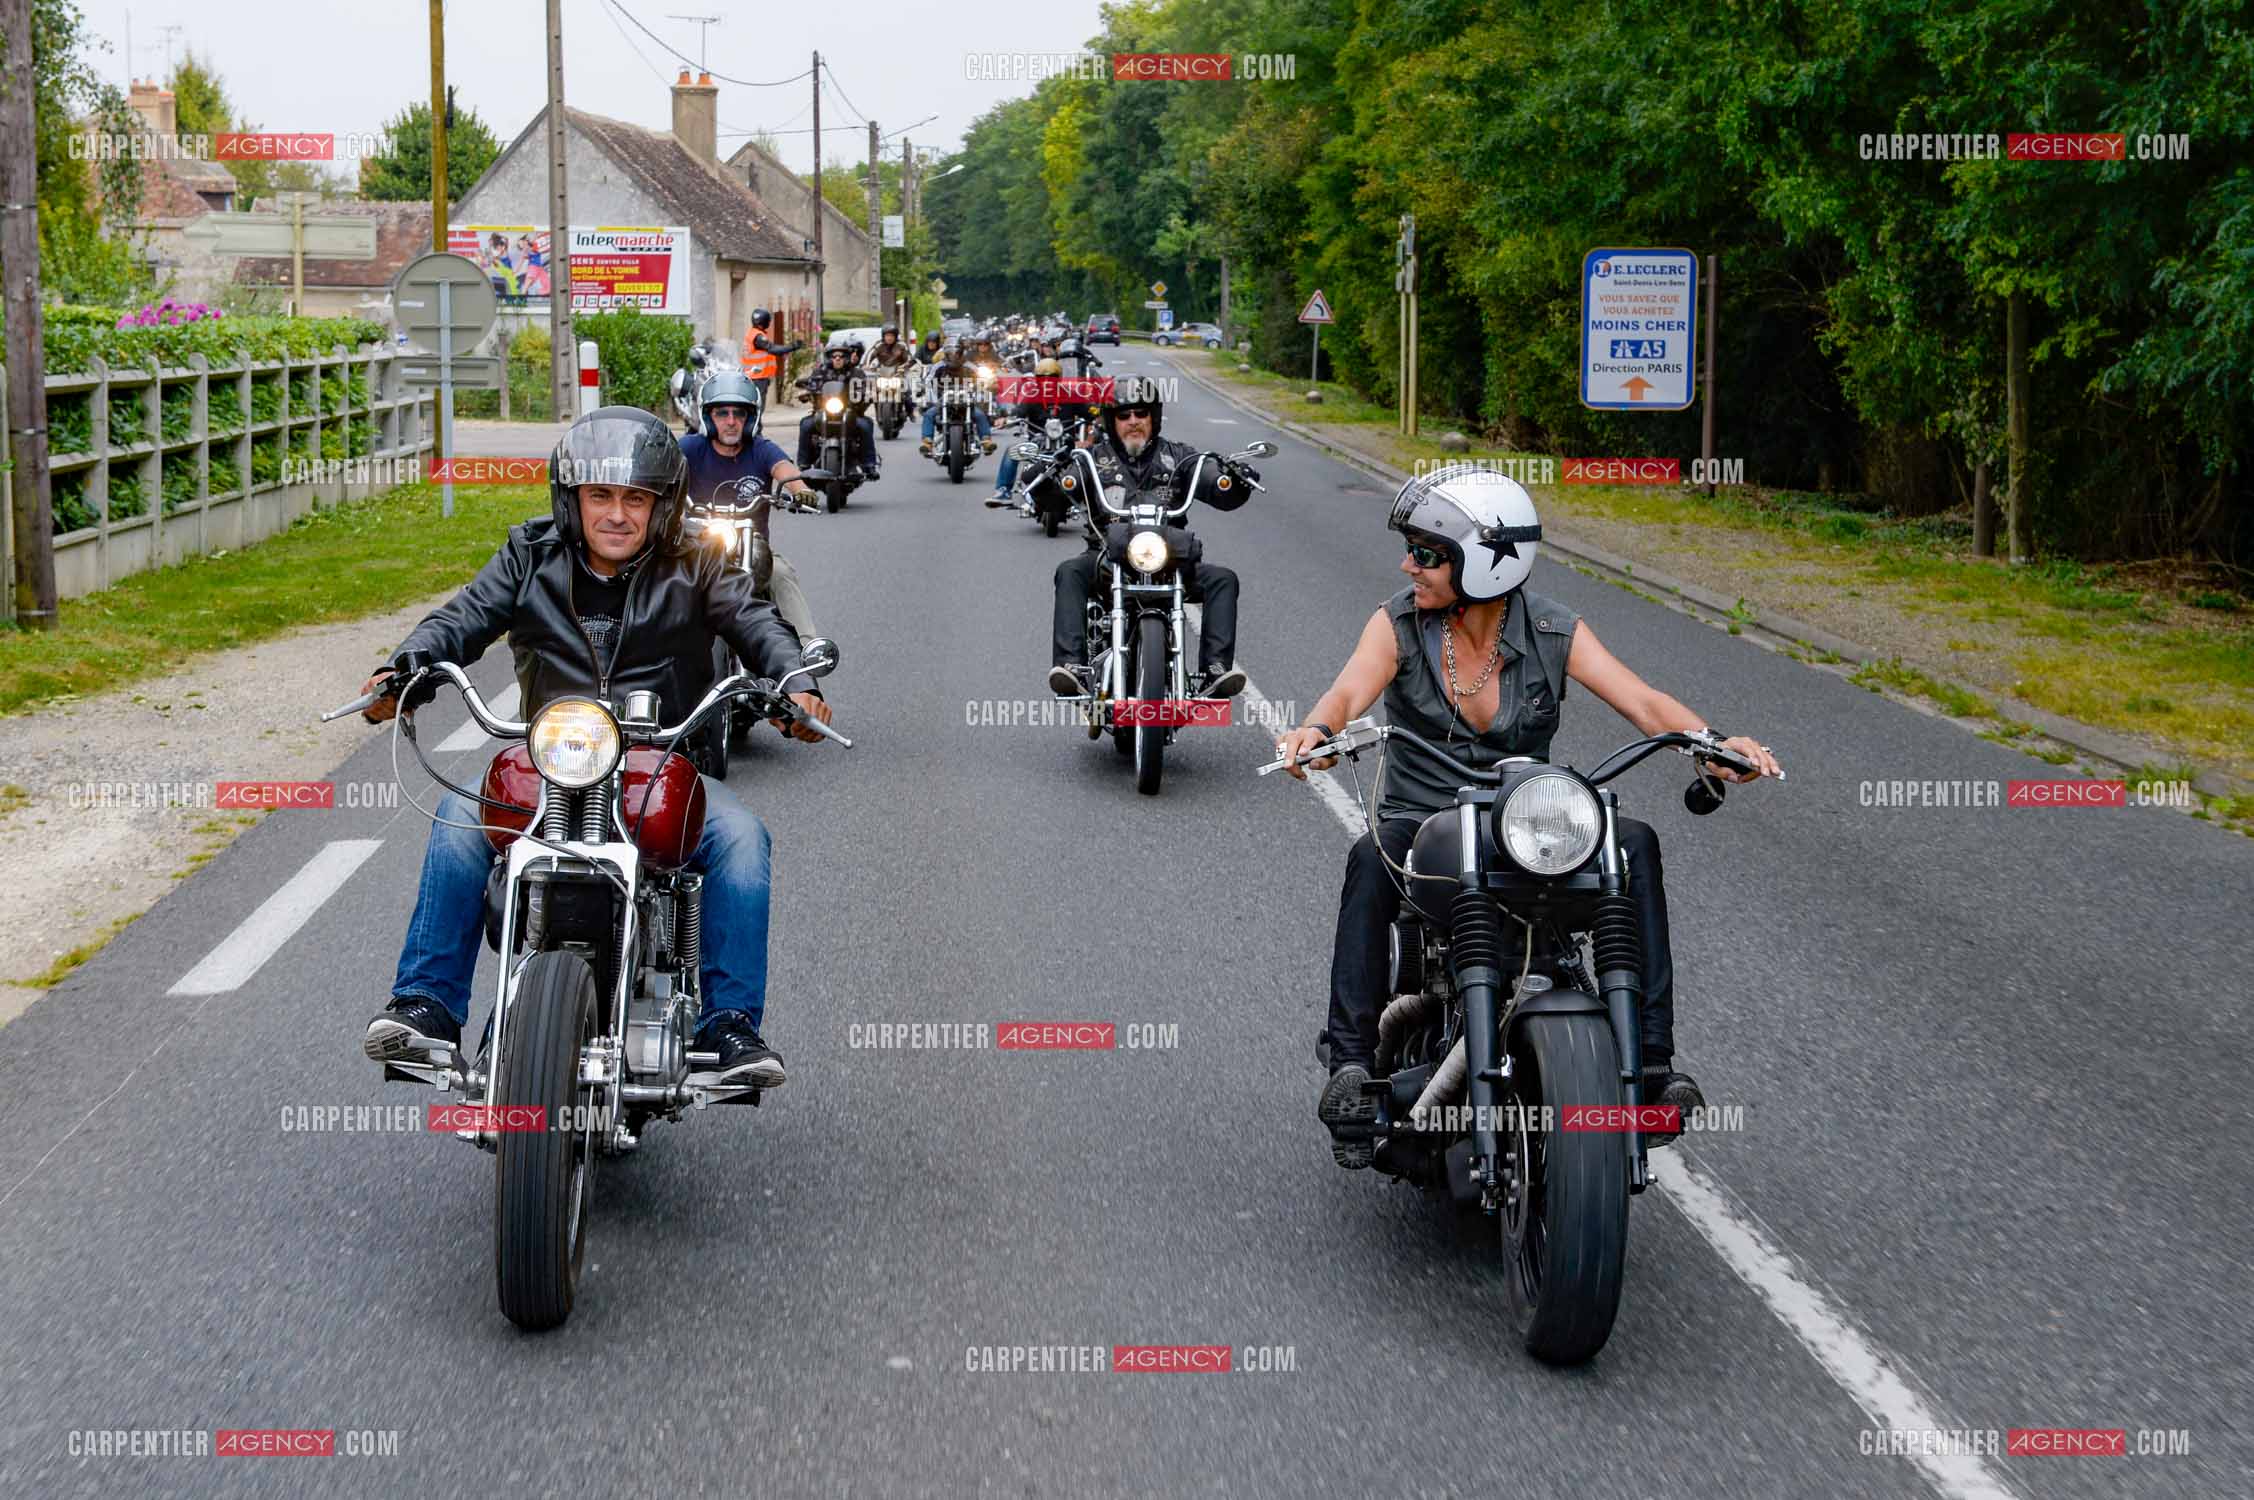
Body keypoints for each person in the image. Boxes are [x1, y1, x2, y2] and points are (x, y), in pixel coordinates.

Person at [1269, 467, 1784, 1167]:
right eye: (1412, 551)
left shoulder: (1552, 629)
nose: (1408, 566)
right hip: (1424, 826)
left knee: (1633, 843)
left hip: (1525, 824)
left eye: (1426, 553)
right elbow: (1347, 691)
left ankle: (1653, 1064)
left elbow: (1643, 701)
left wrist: (1714, 745)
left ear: (1482, 564)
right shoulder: (1397, 624)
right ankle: (1352, 1068)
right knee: (1369, 854)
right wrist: (1316, 731)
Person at [358, 406, 836, 1091]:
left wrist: (793, 684)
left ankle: (729, 1026)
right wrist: (405, 669)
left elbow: (754, 619)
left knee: (741, 839)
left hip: (658, 765)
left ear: (662, 504)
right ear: (572, 499)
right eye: (600, 496)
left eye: (635, 498)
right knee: (459, 820)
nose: (617, 514)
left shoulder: (699, 560)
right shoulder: (528, 554)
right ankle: (425, 1005)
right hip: (547, 766)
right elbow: (464, 617)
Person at [1045, 377, 1248, 701]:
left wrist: (1231, 480)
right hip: (1106, 559)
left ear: (1153, 416)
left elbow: (1213, 482)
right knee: (1069, 571)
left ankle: (1215, 670)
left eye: (1141, 413)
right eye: (1124, 415)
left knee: (1223, 579)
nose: (1133, 421)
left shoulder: (1179, 457)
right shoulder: (1092, 459)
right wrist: (1046, 479)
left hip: (1170, 560)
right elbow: (1056, 492)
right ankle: (1071, 667)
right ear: (1111, 421)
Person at [678, 369, 820, 640]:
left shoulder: (761, 449)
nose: (731, 421)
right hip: (694, 546)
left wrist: (801, 490)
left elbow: (785, 470)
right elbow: (664, 467)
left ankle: (806, 651)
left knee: (781, 573)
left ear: (750, 418)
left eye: (739, 413)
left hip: (751, 549)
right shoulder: (690, 448)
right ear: (709, 417)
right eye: (722, 413)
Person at [985, 355, 1065, 507]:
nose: (1047, 381)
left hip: (1067, 444)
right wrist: (1006, 420)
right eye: (1042, 378)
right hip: (1037, 443)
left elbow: (1091, 415)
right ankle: (1003, 491)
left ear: (1059, 378)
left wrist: (1089, 436)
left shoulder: (1071, 395)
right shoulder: (1032, 397)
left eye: (1052, 377)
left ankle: (1096, 501)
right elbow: (1018, 413)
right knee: (1012, 450)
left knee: (1089, 457)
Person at [796, 344, 879, 479]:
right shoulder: (820, 373)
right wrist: (806, 393)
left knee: (865, 426)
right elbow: (811, 386)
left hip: (850, 413)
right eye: (834, 356)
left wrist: (868, 394)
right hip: (823, 413)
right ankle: (803, 464)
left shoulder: (856, 373)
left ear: (847, 358)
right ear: (829, 358)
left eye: (841, 356)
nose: (838, 358)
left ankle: (869, 465)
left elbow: (864, 387)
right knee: (806, 425)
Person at [918, 344, 996, 457]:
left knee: (980, 415)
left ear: (961, 353)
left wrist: (988, 383)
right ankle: (927, 443)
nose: (954, 356)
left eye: (956, 353)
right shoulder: (939, 366)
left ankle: (986, 441)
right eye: (951, 354)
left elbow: (982, 377)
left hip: (966, 400)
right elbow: (928, 379)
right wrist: (923, 386)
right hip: (944, 400)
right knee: (929, 414)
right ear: (946, 354)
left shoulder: (969, 365)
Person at [741, 308, 803, 429]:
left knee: (755, 408)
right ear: (765, 322)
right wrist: (793, 346)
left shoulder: (752, 333)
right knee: (757, 408)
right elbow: (773, 349)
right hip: (757, 378)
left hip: (755, 377)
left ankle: (754, 430)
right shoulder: (758, 337)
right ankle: (755, 432)